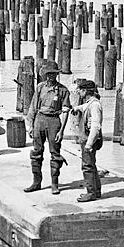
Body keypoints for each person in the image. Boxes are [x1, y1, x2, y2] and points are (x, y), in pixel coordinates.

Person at [23, 60, 71, 194]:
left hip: (54, 121)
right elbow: (33, 107)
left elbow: (66, 111)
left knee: (55, 153)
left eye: (53, 74)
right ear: (45, 74)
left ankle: (54, 184)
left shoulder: (63, 90)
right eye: (48, 74)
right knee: (36, 152)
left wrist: (61, 131)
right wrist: (30, 126)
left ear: (57, 75)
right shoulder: (40, 87)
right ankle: (36, 182)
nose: (50, 77)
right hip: (40, 119)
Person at [71, 79, 104, 203]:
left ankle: (91, 193)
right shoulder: (91, 103)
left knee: (87, 166)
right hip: (89, 138)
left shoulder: (95, 106)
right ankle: (96, 191)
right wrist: (77, 108)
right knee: (92, 164)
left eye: (79, 90)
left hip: (90, 139)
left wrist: (89, 144)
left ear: (85, 91)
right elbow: (85, 107)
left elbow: (96, 126)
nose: (78, 92)